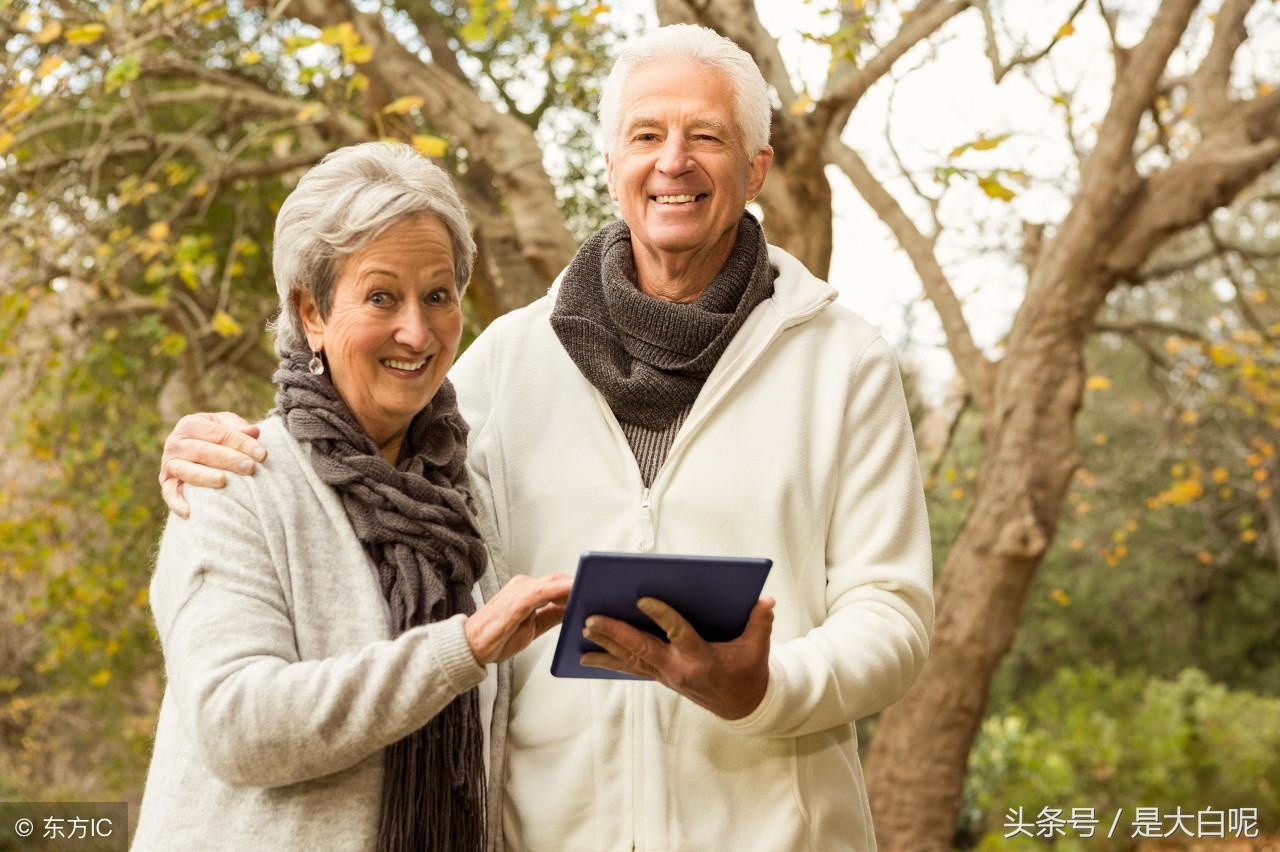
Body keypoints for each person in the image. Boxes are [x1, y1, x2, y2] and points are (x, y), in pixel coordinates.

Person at [159, 24, 933, 851]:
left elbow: (893, 614)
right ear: (609, 167)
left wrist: (767, 688)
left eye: (705, 136)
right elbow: (353, 433)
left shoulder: (841, 361)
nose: (672, 161)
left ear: (756, 169)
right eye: (645, 136)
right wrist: (215, 444)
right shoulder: (508, 361)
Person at [134, 142, 571, 852]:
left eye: (438, 294)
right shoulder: (235, 480)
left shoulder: (469, 504)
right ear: (310, 312)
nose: (417, 331)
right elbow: (237, 725)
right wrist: (458, 648)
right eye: (380, 296)